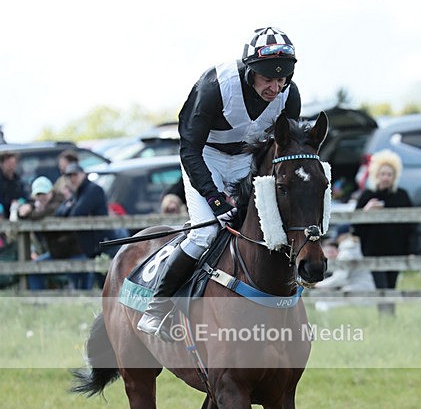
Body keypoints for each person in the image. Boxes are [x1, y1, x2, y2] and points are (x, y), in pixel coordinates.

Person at [137, 25, 301, 337]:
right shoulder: (216, 85)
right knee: (205, 234)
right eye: (268, 78)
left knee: (261, 234)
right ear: (251, 71)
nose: (275, 88)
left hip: (245, 163)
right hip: (205, 159)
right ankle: (157, 307)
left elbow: (283, 148)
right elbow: (189, 148)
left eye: (281, 79)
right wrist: (214, 198)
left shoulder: (289, 96)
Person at [353, 150, 414, 291]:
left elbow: (411, 225)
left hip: (397, 249)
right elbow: (355, 227)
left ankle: (389, 313)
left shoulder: (402, 196)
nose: (386, 178)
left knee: (391, 286)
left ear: (394, 176)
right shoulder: (367, 195)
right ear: (376, 175)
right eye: (383, 174)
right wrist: (366, 211)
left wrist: (411, 249)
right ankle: (385, 313)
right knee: (382, 287)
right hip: (373, 249)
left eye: (389, 174)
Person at [17, 176, 84, 290]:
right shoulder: (40, 206)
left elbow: (44, 214)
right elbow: (32, 213)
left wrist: (28, 211)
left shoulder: (61, 202)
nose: (42, 197)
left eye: (44, 193)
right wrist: (24, 210)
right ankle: (38, 303)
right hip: (56, 253)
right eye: (38, 195)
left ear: (51, 192)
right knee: (34, 269)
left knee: (81, 281)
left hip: (74, 252)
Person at [56, 162, 109, 289]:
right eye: (69, 176)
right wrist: (70, 206)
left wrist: (70, 206)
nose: (72, 179)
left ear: (83, 174)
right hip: (89, 245)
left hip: (101, 243)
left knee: (104, 280)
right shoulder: (78, 192)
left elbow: (76, 213)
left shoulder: (93, 190)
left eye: (75, 175)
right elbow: (58, 213)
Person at [0, 151, 28, 219]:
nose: (11, 167)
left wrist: (19, 202)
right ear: (2, 164)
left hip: (15, 212)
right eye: (9, 164)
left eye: (13, 164)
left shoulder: (18, 181)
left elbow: (25, 197)